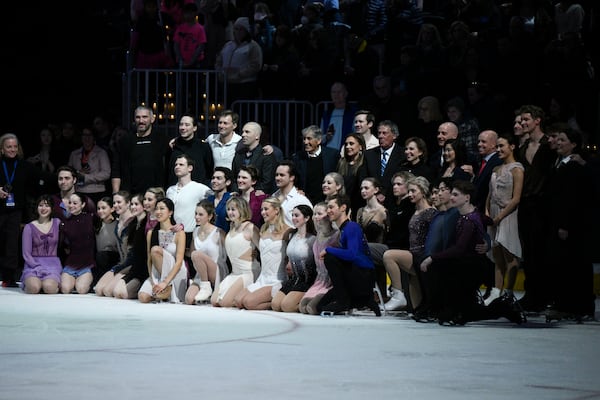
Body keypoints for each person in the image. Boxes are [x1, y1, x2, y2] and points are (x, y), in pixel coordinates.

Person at [420, 180, 525, 325]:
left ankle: (503, 308)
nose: (452, 197)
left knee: (464, 312)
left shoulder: (469, 220)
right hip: (466, 264)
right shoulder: (470, 215)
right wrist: (485, 241)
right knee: (461, 312)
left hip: (471, 268)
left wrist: (432, 257)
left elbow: (460, 248)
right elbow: (488, 221)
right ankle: (497, 309)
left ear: (467, 197)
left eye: (456, 195)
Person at [545, 127, 595, 320]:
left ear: (574, 144)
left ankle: (577, 306)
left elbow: (571, 199)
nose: (558, 142)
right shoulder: (559, 163)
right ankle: (566, 303)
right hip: (559, 222)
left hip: (571, 225)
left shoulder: (575, 166)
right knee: (563, 265)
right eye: (558, 139)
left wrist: (564, 224)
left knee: (574, 265)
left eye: (563, 140)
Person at [516, 104, 556, 312]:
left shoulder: (548, 144)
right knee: (529, 252)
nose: (523, 123)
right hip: (527, 205)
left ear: (537, 120)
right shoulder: (523, 148)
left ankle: (546, 295)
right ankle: (532, 295)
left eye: (526, 119)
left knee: (544, 252)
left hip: (545, 205)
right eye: (521, 120)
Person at [317, 194, 381, 316]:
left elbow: (352, 254)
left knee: (330, 257)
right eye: (327, 208)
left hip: (364, 275)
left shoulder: (352, 227)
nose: (328, 211)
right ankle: (363, 301)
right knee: (320, 307)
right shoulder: (343, 229)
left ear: (343, 208)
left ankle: (347, 301)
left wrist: (329, 249)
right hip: (355, 274)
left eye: (331, 207)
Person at [382, 176, 437, 312]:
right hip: (413, 253)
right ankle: (416, 308)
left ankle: (398, 294)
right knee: (415, 308)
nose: (410, 194)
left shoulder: (431, 212)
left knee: (389, 255)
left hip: (422, 255)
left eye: (413, 191)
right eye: (409, 191)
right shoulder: (414, 210)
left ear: (423, 191)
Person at [0, 133, 48, 287]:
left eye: (15, 146)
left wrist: (63, 176)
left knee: (12, 244)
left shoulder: (24, 166)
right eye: (9, 147)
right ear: (2, 149)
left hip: (15, 210)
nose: (12, 150)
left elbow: (42, 177)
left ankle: (8, 278)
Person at [484, 133, 524, 306]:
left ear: (512, 147)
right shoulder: (495, 169)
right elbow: (489, 194)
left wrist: (500, 216)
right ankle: (496, 291)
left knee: (510, 253)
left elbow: (516, 198)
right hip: (493, 213)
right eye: (497, 146)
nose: (498, 149)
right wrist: (487, 213)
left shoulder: (517, 169)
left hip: (507, 214)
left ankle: (508, 291)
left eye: (502, 146)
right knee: (497, 254)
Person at [235, 197, 291, 310]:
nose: (263, 212)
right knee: (238, 301)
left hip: (277, 280)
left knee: (249, 303)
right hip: (263, 278)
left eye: (266, 209)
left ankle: (276, 302)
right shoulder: (263, 229)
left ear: (276, 210)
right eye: (261, 209)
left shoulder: (288, 231)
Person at [114, 187, 166, 299]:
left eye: (149, 200)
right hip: (139, 265)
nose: (146, 202)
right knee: (117, 292)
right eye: (145, 199)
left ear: (157, 201)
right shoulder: (143, 220)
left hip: (153, 267)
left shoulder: (161, 220)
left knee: (124, 294)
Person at [212, 196, 260, 307]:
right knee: (214, 301)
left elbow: (263, 249)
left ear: (242, 209)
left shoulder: (250, 227)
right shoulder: (232, 226)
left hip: (248, 272)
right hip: (234, 273)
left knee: (225, 302)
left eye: (233, 209)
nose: (230, 212)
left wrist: (255, 253)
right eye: (228, 209)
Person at [138, 198, 189, 303]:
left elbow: (179, 261)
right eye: (156, 209)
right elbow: (149, 260)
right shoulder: (151, 233)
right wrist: (152, 280)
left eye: (162, 209)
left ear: (170, 212)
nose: (158, 212)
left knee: (155, 249)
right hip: (157, 273)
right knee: (143, 297)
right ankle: (162, 293)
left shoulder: (179, 233)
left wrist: (165, 282)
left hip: (175, 271)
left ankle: (168, 287)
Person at [111, 105, 169, 195]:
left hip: (155, 194)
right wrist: (115, 193)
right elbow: (116, 169)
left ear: (152, 119)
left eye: (144, 117)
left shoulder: (161, 139)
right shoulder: (125, 141)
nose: (141, 121)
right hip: (130, 194)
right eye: (138, 117)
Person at [271, 204, 317, 312]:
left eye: (297, 215)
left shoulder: (312, 239)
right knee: (275, 305)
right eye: (292, 215)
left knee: (287, 306)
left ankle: (312, 303)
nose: (293, 218)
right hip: (294, 279)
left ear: (306, 218)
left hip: (307, 281)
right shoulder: (292, 235)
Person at [184, 199, 228, 304]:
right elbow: (191, 254)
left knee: (197, 254)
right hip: (202, 273)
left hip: (217, 271)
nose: (197, 217)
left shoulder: (218, 232)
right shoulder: (195, 231)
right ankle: (206, 288)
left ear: (209, 216)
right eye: (195, 214)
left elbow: (230, 250)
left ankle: (206, 287)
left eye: (200, 214)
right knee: (189, 299)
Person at [299, 202, 339, 315]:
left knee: (312, 308)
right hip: (320, 280)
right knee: (303, 308)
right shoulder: (318, 234)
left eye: (319, 214)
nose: (316, 217)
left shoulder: (336, 235)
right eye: (315, 214)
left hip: (332, 281)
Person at [93, 191, 134, 297]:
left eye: (119, 202)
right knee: (99, 290)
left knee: (109, 291)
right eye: (114, 203)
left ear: (128, 203)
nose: (116, 205)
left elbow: (133, 254)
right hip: (121, 263)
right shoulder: (119, 220)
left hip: (131, 264)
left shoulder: (133, 221)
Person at [166, 154, 212, 247]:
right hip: (171, 233)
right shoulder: (170, 190)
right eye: (176, 165)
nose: (177, 167)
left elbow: (214, 200)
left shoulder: (200, 188)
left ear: (190, 168)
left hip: (190, 234)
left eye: (181, 164)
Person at [20, 195, 62, 294]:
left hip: (52, 265)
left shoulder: (57, 223)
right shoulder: (29, 227)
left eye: (47, 205)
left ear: (52, 208)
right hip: (33, 265)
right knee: (33, 288)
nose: (43, 208)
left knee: (49, 288)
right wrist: (37, 266)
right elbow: (26, 254)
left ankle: (50, 284)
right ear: (36, 207)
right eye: (40, 205)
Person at [215, 17, 263, 103]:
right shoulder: (228, 45)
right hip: (227, 84)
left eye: (241, 29)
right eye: (236, 29)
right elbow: (219, 60)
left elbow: (256, 65)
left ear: (246, 31)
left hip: (244, 85)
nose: (238, 32)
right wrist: (219, 72)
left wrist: (240, 74)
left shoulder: (253, 46)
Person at [356, 177, 389, 299]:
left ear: (376, 190)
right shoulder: (360, 211)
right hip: (364, 246)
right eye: (361, 188)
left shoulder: (382, 210)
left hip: (379, 247)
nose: (363, 191)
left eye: (366, 188)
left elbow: (375, 233)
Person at [363, 120, 406, 208]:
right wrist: (376, 193)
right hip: (372, 201)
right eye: (379, 133)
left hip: (395, 201)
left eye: (384, 133)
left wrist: (386, 194)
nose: (380, 136)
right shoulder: (369, 154)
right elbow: (364, 177)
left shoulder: (403, 154)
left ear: (394, 135)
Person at [291, 125, 340, 205]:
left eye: (309, 139)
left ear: (318, 140)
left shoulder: (332, 155)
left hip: (327, 201)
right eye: (304, 139)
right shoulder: (297, 158)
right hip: (305, 202)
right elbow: (294, 178)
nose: (305, 142)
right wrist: (297, 189)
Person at [60, 192, 96, 294]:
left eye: (75, 203)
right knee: (66, 289)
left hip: (87, 264)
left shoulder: (91, 218)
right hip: (70, 264)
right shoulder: (64, 222)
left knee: (81, 289)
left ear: (83, 204)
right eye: (70, 202)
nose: (71, 205)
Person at [68, 127, 112, 205]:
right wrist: (78, 172)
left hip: (97, 191)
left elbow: (106, 173)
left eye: (89, 135)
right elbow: (68, 172)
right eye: (84, 135)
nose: (87, 138)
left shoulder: (101, 152)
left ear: (94, 137)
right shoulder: (74, 154)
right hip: (78, 191)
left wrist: (85, 178)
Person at [168, 113, 214, 186]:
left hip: (198, 190)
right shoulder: (173, 145)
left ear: (194, 128)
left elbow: (209, 170)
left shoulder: (203, 146)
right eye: (181, 124)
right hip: (176, 189)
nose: (183, 127)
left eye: (187, 125)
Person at [231, 121, 275, 193]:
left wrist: (252, 193)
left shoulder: (266, 155)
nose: (243, 135)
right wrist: (237, 192)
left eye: (247, 132)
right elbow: (233, 177)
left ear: (257, 136)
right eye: (243, 132)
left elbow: (267, 181)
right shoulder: (239, 154)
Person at [271, 160, 313, 228]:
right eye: (276, 175)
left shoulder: (300, 200)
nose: (277, 178)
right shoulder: (273, 197)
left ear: (292, 177)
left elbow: (310, 224)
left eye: (282, 175)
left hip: (291, 237)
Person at [470, 130, 502, 214]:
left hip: (488, 211)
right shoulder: (484, 162)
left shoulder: (497, 162)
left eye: (483, 142)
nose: (479, 144)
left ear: (494, 145)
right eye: (478, 141)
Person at [319, 82, 357, 152]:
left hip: (346, 152)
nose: (336, 95)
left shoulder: (353, 113)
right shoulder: (326, 115)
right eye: (334, 92)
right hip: (328, 152)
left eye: (339, 92)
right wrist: (326, 137)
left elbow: (357, 135)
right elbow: (320, 137)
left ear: (345, 94)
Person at [92, 196, 120, 288]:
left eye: (103, 208)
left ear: (112, 209)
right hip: (100, 260)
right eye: (98, 208)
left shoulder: (118, 224)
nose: (100, 211)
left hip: (114, 259)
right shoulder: (97, 224)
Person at [336, 132, 366, 214]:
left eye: (351, 144)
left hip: (358, 206)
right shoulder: (341, 163)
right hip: (341, 205)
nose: (348, 146)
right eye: (346, 144)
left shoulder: (364, 164)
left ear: (360, 146)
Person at [173, 2, 207, 68]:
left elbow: (201, 46)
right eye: (186, 13)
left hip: (196, 62)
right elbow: (176, 44)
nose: (187, 15)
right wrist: (180, 59)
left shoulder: (200, 29)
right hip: (182, 62)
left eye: (190, 13)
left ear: (195, 13)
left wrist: (192, 60)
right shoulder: (180, 28)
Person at [207, 166, 234, 233]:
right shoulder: (208, 200)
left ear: (227, 182)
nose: (214, 181)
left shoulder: (232, 200)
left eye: (218, 178)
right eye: (213, 178)